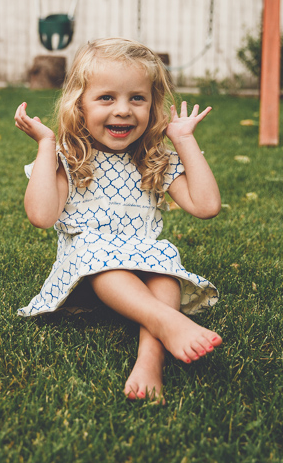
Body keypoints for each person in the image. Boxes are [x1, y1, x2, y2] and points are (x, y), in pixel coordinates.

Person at [14, 37, 222, 401]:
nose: (123, 110)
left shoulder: (155, 157)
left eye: (136, 98)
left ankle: (150, 358)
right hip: (87, 275)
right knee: (100, 255)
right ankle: (168, 321)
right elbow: (41, 215)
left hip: (140, 270)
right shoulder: (69, 156)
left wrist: (184, 140)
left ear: (153, 105)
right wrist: (46, 145)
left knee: (163, 263)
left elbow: (206, 206)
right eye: (106, 98)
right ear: (79, 104)